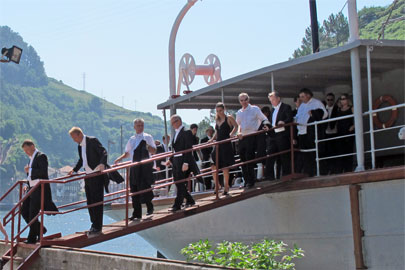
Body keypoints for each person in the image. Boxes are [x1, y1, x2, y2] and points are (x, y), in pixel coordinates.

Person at [114, 119, 156, 220]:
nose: (140, 127)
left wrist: (147, 146)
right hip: (134, 166)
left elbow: (154, 151)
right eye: (138, 125)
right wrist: (119, 159)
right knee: (134, 189)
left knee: (145, 187)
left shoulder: (148, 137)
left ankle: (150, 207)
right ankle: (136, 213)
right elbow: (127, 153)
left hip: (145, 166)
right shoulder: (131, 139)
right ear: (134, 127)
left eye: (142, 125)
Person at [68, 127, 107, 234]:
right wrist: (74, 170)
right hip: (88, 175)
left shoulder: (92, 141)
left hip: (96, 174)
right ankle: (93, 224)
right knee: (90, 201)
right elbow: (82, 160)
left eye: (73, 137)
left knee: (97, 201)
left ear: (79, 134)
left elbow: (103, 152)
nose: (73, 140)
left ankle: (98, 226)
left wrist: (102, 163)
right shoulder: (80, 146)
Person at [21, 139, 58, 243]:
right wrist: (26, 184)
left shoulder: (41, 156)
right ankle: (40, 229)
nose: (26, 152)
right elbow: (30, 177)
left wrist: (30, 171)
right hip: (31, 188)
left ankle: (32, 238)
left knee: (33, 213)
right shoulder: (31, 158)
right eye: (25, 151)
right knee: (24, 211)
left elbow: (43, 172)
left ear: (32, 146)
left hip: (39, 189)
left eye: (27, 149)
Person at [236, 93, 269, 188]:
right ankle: (246, 180)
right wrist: (238, 132)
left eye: (245, 99)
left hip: (252, 136)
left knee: (249, 158)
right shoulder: (239, 112)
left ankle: (251, 180)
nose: (244, 102)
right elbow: (239, 125)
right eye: (241, 100)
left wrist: (265, 126)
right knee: (242, 159)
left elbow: (264, 119)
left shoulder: (255, 109)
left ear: (248, 99)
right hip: (242, 137)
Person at [166, 115, 196, 212]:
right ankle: (190, 199)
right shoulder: (176, 133)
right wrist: (170, 159)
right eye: (171, 123)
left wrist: (186, 162)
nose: (172, 125)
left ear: (178, 121)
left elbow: (188, 148)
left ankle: (177, 205)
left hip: (182, 160)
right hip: (176, 161)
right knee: (177, 182)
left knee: (180, 183)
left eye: (173, 123)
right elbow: (175, 149)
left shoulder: (186, 132)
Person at [295, 88, 327, 177]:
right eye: (300, 97)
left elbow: (324, 114)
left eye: (302, 96)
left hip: (311, 132)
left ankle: (314, 172)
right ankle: (307, 172)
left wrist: (313, 113)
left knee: (313, 153)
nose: (301, 98)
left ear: (308, 95)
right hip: (301, 133)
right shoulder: (301, 106)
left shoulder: (317, 103)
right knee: (304, 154)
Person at [210, 102, 238, 195]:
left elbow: (236, 126)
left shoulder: (229, 118)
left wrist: (231, 134)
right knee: (213, 165)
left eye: (220, 110)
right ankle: (217, 185)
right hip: (218, 144)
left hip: (226, 144)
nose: (219, 112)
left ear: (224, 109)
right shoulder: (217, 119)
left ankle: (226, 186)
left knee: (225, 167)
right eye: (217, 111)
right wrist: (212, 139)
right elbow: (217, 132)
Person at [265, 91, 293, 180]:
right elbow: (272, 122)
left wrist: (283, 122)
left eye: (273, 99)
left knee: (284, 156)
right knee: (270, 155)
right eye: (270, 100)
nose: (272, 102)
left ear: (278, 98)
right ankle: (269, 176)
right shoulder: (272, 110)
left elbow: (289, 118)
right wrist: (267, 127)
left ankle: (286, 175)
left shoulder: (286, 107)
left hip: (282, 134)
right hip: (273, 135)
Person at [336, 94, 355, 173]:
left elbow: (356, 117)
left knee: (349, 150)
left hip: (349, 130)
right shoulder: (339, 109)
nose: (342, 100)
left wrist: (353, 126)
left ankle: (349, 169)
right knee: (341, 150)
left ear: (348, 100)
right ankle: (342, 169)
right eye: (341, 99)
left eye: (344, 98)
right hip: (341, 131)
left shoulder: (352, 108)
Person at [322, 93, 339, 174]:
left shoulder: (336, 109)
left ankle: (334, 169)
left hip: (334, 132)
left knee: (334, 152)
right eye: (328, 100)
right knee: (326, 152)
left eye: (331, 99)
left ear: (334, 100)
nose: (329, 101)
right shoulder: (323, 109)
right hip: (325, 133)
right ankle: (327, 169)